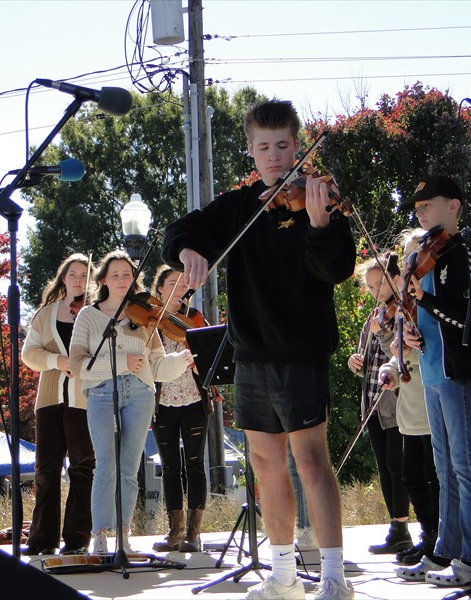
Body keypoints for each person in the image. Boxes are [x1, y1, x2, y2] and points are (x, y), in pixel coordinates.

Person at [162, 99, 356, 600]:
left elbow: (335, 270)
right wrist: (187, 252)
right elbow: (185, 230)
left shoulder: (318, 200)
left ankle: (334, 577)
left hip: (301, 348)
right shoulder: (239, 206)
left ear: (297, 145)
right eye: (264, 147)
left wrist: (317, 226)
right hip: (250, 351)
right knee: (265, 462)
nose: (274, 157)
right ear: (251, 150)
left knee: (311, 461)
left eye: (283, 146)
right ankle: (284, 576)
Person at [396, 175, 471, 587]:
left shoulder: (458, 254)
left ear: (453, 206)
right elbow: (426, 318)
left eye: (427, 205)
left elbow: (460, 317)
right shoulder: (427, 254)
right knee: (444, 467)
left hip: (455, 369)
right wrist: (411, 329)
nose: (420, 213)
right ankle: (445, 552)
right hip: (432, 369)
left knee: (464, 466)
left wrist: (424, 298)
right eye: (417, 208)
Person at [69, 250, 194, 555]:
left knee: (128, 468)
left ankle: (123, 537)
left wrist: (183, 360)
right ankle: (100, 536)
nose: (123, 280)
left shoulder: (145, 315)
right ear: (103, 280)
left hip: (140, 393)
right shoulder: (88, 315)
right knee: (105, 466)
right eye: (116, 275)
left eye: (127, 274)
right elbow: (77, 365)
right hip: (101, 393)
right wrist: (123, 361)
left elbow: (156, 366)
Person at [21, 253, 96, 556]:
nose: (79, 280)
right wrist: (58, 360)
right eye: (73, 274)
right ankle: (42, 539)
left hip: (84, 401)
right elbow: (29, 354)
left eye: (84, 276)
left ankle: (77, 539)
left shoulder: (94, 314)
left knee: (82, 466)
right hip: (50, 399)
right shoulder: (46, 313)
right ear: (63, 277)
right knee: (46, 469)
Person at [377, 232, 441, 567]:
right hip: (410, 409)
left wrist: (410, 352)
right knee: (412, 476)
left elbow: (432, 349)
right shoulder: (404, 307)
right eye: (405, 257)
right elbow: (398, 354)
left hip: (433, 408)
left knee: (434, 477)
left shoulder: (432, 298)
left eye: (414, 255)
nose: (408, 262)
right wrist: (388, 368)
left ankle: (441, 540)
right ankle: (428, 536)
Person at [346, 256, 412, 555]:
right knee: (385, 468)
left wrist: (382, 332)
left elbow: (398, 353)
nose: (375, 290)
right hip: (372, 402)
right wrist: (354, 362)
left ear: (395, 279)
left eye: (380, 283)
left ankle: (405, 526)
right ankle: (396, 527)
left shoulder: (401, 312)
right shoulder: (373, 316)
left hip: (395, 403)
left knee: (399, 467)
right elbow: (365, 359)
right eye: (370, 285)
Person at [149, 265, 211, 553]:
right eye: (171, 283)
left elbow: (209, 355)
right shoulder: (150, 320)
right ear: (159, 289)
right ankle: (174, 532)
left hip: (193, 399)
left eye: (183, 284)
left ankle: (193, 534)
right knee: (170, 467)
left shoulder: (196, 319)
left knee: (195, 465)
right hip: (163, 402)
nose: (178, 288)